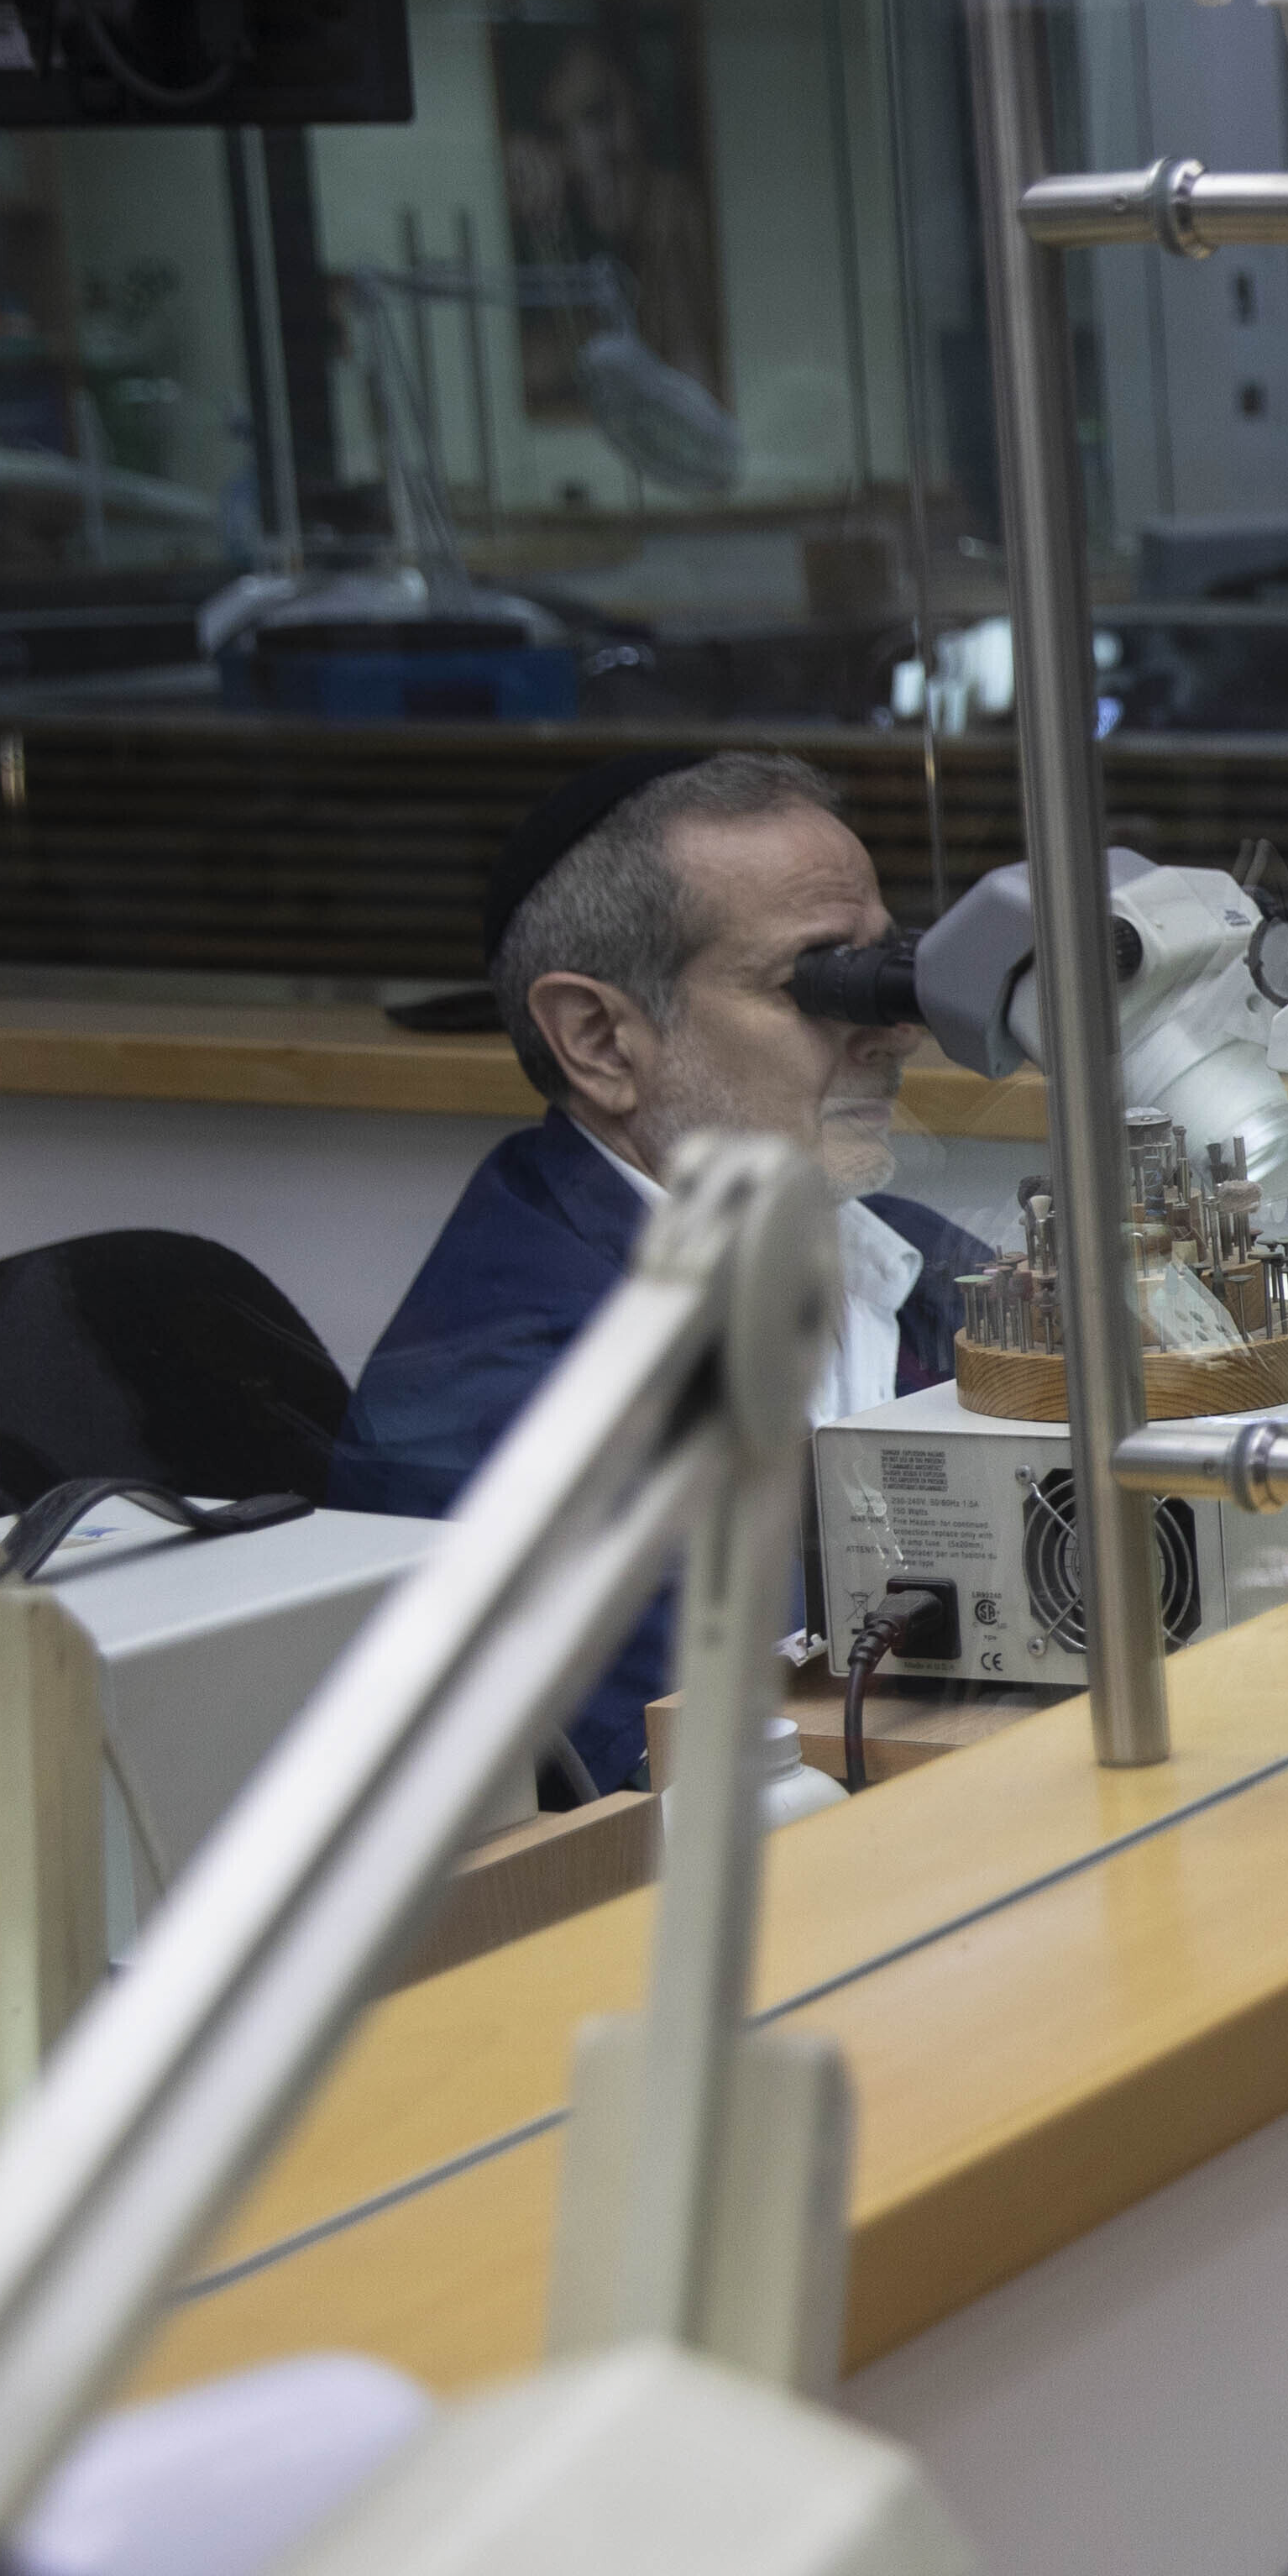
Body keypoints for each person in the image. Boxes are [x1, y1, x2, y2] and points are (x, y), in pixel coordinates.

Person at [335, 748, 979, 1795]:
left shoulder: (898, 1251)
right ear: (599, 1039)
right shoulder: (510, 1408)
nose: (895, 1025)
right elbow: (692, 1798)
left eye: (887, 961)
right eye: (820, 979)